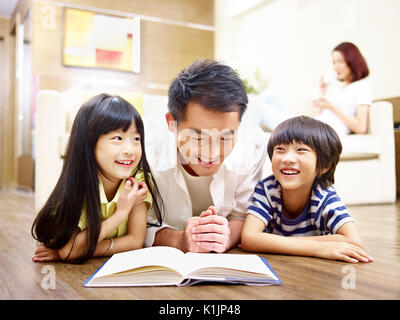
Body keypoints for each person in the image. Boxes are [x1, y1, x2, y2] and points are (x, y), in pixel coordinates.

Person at [143, 59, 268, 253]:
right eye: (198, 137)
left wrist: (223, 238)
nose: (212, 153)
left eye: (226, 137)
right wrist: (180, 240)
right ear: (172, 123)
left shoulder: (253, 146)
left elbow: (242, 215)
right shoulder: (143, 147)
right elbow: (138, 223)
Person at [31, 94, 163, 263]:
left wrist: (82, 250)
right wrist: (120, 214)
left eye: (136, 139)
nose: (130, 150)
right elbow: (70, 250)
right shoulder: (80, 183)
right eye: (118, 138)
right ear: (89, 142)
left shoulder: (138, 181)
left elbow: (135, 241)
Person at [241, 116, 374, 263]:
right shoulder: (266, 189)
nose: (287, 158)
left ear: (323, 166)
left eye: (301, 150)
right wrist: (317, 248)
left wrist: (271, 242)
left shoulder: (324, 195)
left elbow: (353, 241)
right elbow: (249, 238)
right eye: (280, 149)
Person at [258, 42, 372, 136]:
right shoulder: (341, 89)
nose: (335, 67)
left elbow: (361, 128)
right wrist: (323, 91)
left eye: (340, 61)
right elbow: (322, 114)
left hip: (319, 132)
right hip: (313, 125)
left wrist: (332, 107)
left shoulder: (362, 86)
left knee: (259, 107)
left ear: (352, 61)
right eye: (334, 62)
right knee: (269, 95)